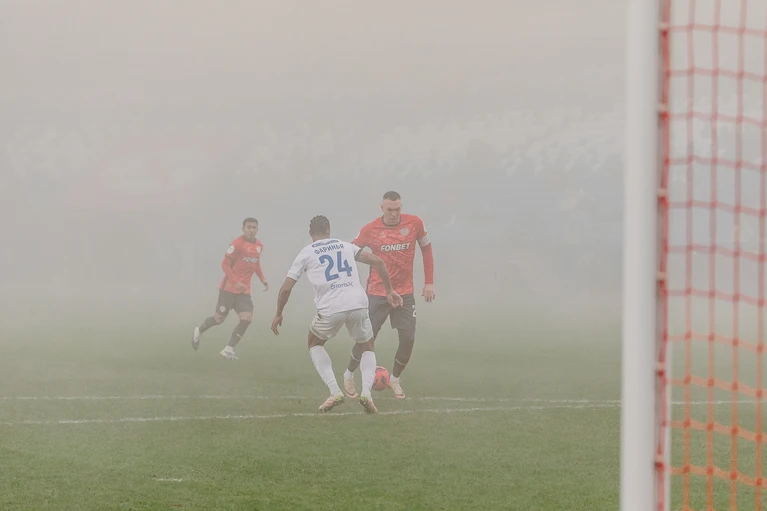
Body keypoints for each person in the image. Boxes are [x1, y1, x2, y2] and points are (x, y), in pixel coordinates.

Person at [271, 215, 402, 413]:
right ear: (329, 230)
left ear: (310, 233)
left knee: (314, 343)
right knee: (367, 346)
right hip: (357, 303)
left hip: (331, 307)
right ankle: (367, 393)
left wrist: (278, 313)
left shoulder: (307, 252)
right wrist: (389, 291)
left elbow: (286, 288)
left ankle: (334, 391)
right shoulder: (346, 246)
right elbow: (378, 261)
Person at [343, 191, 435, 400]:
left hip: (405, 293)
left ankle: (394, 379)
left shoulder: (415, 223)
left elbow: (427, 248)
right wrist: (369, 262)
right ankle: (348, 374)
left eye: (397, 209)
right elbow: (350, 252)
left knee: (408, 338)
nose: (394, 214)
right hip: (377, 293)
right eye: (390, 210)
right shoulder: (371, 229)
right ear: (382, 208)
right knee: (367, 338)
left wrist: (429, 282)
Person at [192, 217, 269, 360]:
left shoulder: (259, 246)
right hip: (228, 289)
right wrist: (235, 281)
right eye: (249, 227)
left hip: (244, 292)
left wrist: (262, 279)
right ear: (243, 229)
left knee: (247, 317)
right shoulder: (237, 244)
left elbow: (256, 264)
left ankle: (228, 349)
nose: (251, 230)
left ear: (257, 230)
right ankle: (199, 330)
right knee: (219, 319)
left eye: (254, 228)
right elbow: (225, 264)